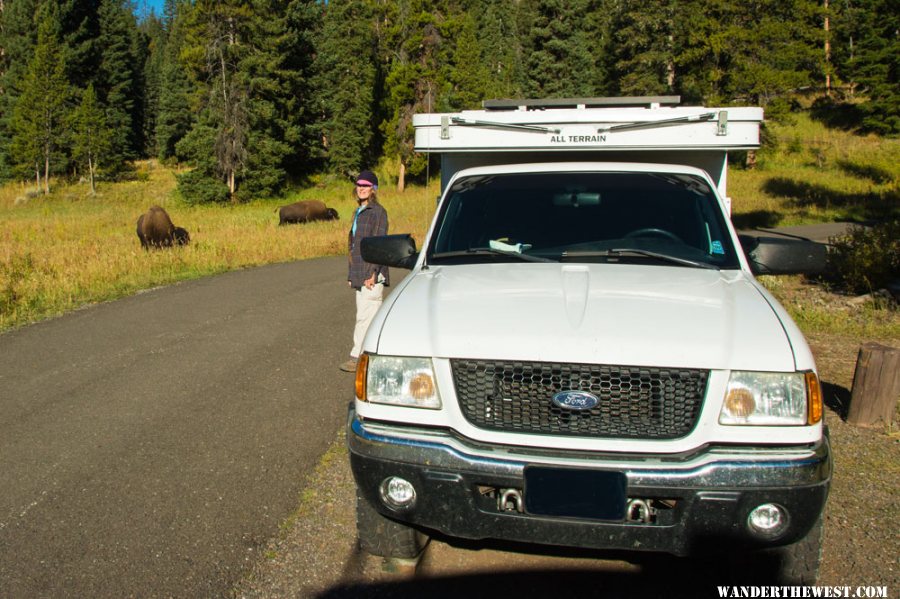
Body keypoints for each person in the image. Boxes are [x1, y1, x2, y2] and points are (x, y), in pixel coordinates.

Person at [340, 170, 389, 372]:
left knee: (366, 317)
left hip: (372, 275)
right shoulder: (359, 212)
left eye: (366, 185)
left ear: (373, 189)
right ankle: (371, 357)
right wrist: (352, 275)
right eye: (359, 184)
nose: (361, 188)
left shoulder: (378, 212)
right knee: (365, 315)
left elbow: (379, 244)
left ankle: (357, 357)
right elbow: (354, 247)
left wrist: (372, 273)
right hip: (360, 273)